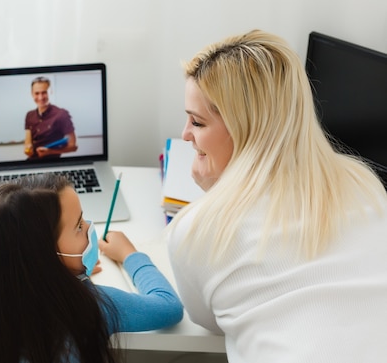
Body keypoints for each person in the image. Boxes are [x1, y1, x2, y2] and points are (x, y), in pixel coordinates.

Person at [166, 29, 387, 363]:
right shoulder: (365, 184)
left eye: (197, 122)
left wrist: (217, 196)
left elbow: (208, 320)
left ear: (245, 129)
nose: (185, 135)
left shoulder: (197, 230)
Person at [0, 173, 183, 363]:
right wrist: (129, 255)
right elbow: (169, 307)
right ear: (45, 255)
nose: (89, 226)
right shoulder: (91, 306)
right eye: (79, 226)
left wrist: (57, 273)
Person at [24, 76, 78, 159]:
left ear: (51, 92)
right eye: (37, 93)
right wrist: (28, 150)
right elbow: (28, 144)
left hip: (52, 164)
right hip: (31, 164)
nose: (40, 97)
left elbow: (73, 146)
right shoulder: (29, 115)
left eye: (44, 92)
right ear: (32, 94)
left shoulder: (62, 114)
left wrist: (50, 152)